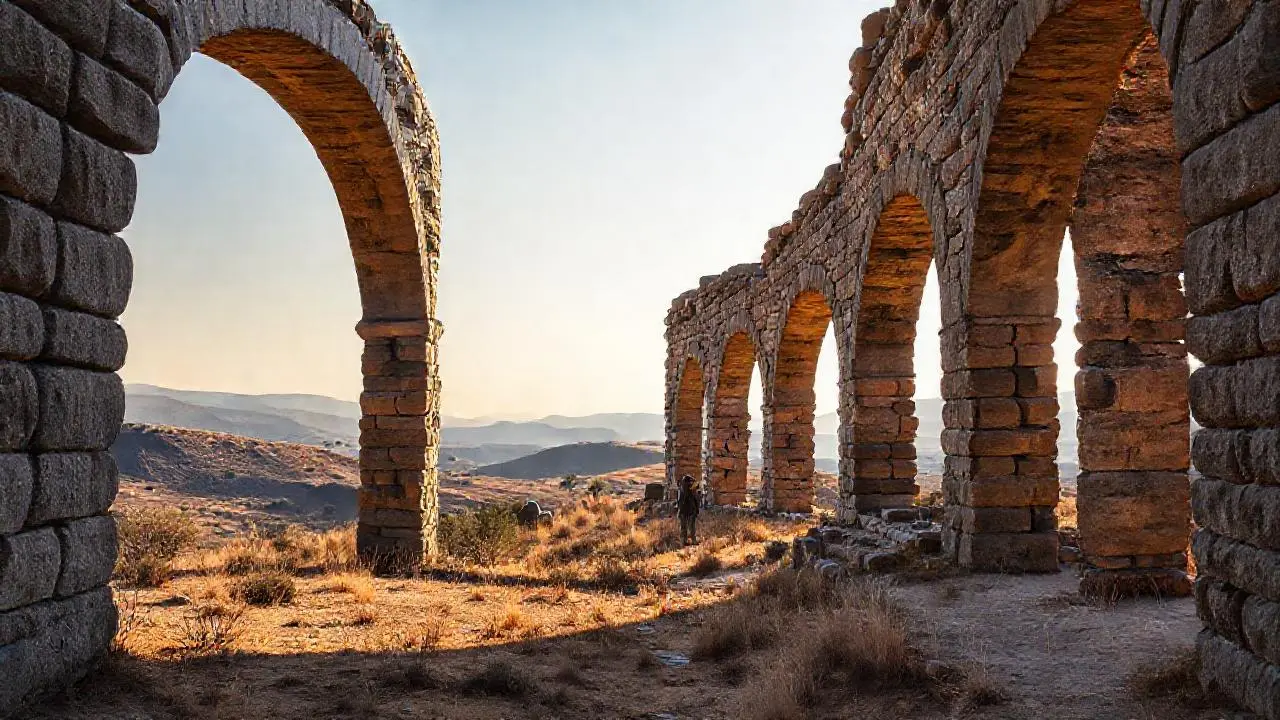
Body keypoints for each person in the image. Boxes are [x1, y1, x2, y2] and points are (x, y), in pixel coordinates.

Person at [676, 474, 700, 546]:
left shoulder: (682, 489)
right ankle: (692, 541)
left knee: (684, 527)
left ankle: (684, 541)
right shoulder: (689, 489)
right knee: (691, 527)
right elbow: (697, 484)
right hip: (689, 510)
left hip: (684, 510)